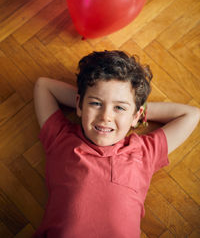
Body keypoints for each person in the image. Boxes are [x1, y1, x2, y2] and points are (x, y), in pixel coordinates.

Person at [33, 50, 200, 238]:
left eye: (119, 108)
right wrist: (93, 103)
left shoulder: (144, 152)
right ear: (79, 104)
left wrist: (134, 113)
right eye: (96, 104)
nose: (106, 116)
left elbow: (191, 115)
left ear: (136, 115)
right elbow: (43, 86)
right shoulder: (61, 138)